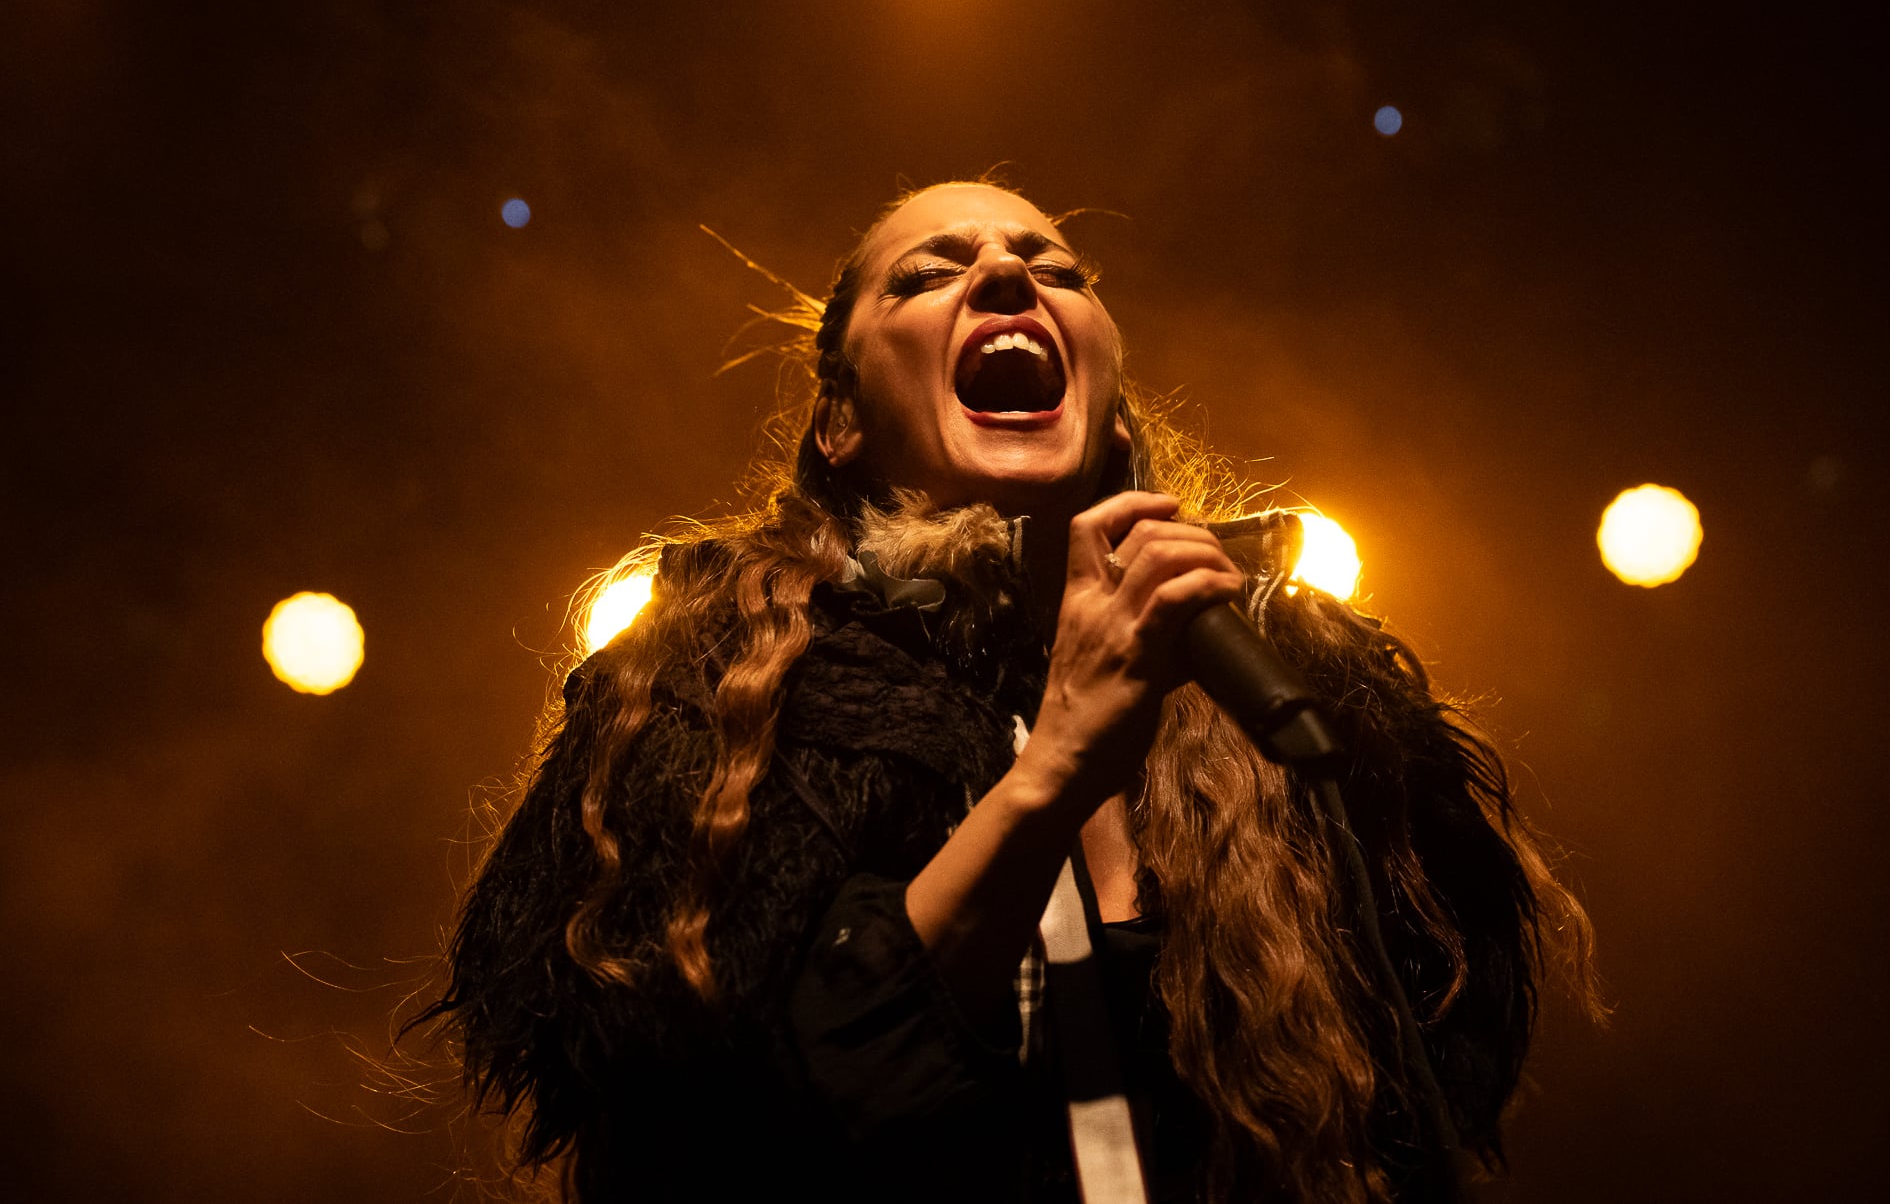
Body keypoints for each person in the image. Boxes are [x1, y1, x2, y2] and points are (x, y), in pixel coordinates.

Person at [414, 181, 1597, 1203]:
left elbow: (1418, 1068)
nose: (1003, 275)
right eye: (929, 274)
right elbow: (735, 1104)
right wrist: (1060, 762)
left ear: (1112, 401)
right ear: (836, 418)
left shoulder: (1287, 676)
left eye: (1055, 268)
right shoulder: (718, 689)